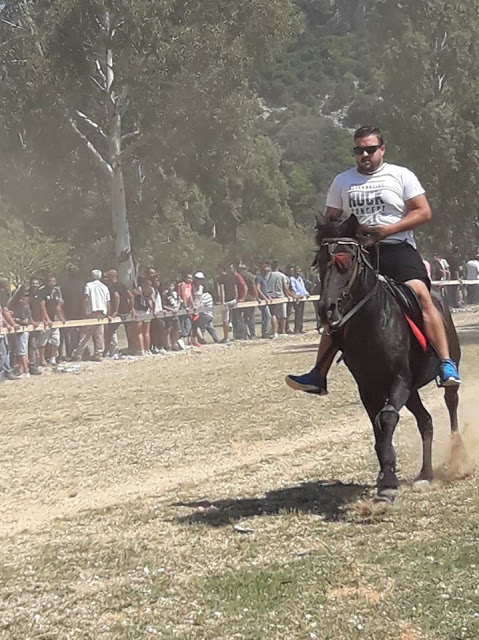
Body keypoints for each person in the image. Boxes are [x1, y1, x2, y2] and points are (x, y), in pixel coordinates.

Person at [286, 125, 460, 393]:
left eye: (370, 149)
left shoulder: (400, 175)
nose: (364, 154)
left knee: (421, 294)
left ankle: (446, 362)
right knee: (335, 305)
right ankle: (318, 373)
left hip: (396, 247)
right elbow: (332, 218)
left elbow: (423, 212)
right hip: (358, 254)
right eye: (359, 150)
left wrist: (387, 230)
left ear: (382, 149)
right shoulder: (342, 181)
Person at [72, 269, 111, 362]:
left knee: (85, 334)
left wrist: (83, 312)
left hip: (91, 312)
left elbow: (85, 299)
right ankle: (98, 354)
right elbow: (108, 302)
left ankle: (79, 354)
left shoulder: (88, 286)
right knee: (99, 335)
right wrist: (108, 314)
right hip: (101, 313)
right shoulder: (104, 287)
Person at [104, 269, 135, 356]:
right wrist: (132, 308)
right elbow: (131, 296)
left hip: (119, 313)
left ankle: (111, 351)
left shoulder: (113, 287)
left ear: (112, 276)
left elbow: (116, 297)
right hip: (126, 311)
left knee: (110, 332)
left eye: (108, 276)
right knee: (129, 331)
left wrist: (115, 311)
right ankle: (132, 348)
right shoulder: (122, 285)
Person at [263, 261, 296, 338]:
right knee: (283, 315)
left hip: (271, 296)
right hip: (280, 296)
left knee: (274, 314)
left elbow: (265, 285)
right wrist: (291, 295)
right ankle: (283, 330)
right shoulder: (282, 275)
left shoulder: (268, 275)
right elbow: (285, 288)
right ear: (278, 267)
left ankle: (275, 330)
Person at [38, 275, 64, 365]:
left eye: (53, 281)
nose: (51, 283)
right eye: (50, 281)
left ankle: (53, 358)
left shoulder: (57, 291)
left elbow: (58, 305)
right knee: (43, 341)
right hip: (45, 320)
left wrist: (60, 317)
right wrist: (47, 319)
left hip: (54, 320)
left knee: (56, 340)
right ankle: (42, 359)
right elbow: (42, 306)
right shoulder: (42, 291)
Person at [288, 266, 309, 333]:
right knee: (298, 313)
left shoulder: (300, 278)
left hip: (302, 297)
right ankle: (296, 329)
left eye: (299, 271)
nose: (298, 272)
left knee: (301, 313)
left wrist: (306, 293)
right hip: (297, 298)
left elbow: (303, 287)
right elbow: (293, 288)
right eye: (297, 271)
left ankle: (300, 328)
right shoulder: (292, 279)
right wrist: (297, 295)